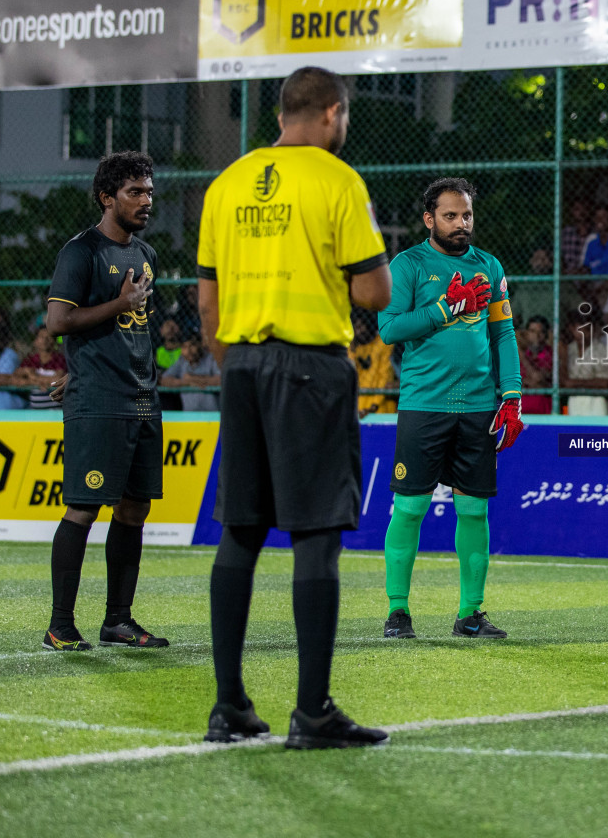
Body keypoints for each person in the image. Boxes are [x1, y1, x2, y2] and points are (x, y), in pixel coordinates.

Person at [198, 67, 392, 750]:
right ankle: (312, 713)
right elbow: (374, 292)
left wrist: (236, 367)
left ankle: (228, 708)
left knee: (241, 531)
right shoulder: (339, 180)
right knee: (316, 534)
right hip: (310, 367)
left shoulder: (225, 185)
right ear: (332, 113)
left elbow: (207, 305)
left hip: (242, 367)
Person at [377, 177, 523, 642]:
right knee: (411, 507)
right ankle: (398, 612)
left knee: (475, 512)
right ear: (429, 219)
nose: (462, 224)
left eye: (467, 215)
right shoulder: (408, 265)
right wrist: (446, 308)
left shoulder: (489, 265)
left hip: (479, 407)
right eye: (450, 216)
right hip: (424, 404)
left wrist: (513, 396)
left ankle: (470, 614)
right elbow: (389, 329)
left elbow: (502, 334)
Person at [41, 150, 166, 653]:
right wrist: (119, 304)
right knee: (83, 508)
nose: (146, 201)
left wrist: (85, 367)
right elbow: (58, 322)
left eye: (150, 192)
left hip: (143, 398)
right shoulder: (81, 252)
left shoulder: (147, 256)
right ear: (107, 197)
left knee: (134, 510)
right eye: (135, 192)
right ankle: (59, 625)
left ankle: (118, 620)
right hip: (100, 403)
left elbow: (130, 330)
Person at [349, 311, 397, 416]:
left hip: (380, 405)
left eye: (361, 326)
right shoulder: (353, 348)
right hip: (358, 404)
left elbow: (384, 375)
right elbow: (350, 374)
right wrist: (352, 350)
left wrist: (373, 406)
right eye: (356, 327)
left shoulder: (383, 343)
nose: (359, 331)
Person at [161, 333, 221, 412]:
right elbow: (164, 380)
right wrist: (184, 382)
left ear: (200, 344)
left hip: (212, 415)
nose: (188, 351)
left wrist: (193, 378)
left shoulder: (210, 358)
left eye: (192, 346)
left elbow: (220, 380)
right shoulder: (182, 361)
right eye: (184, 347)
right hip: (189, 416)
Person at [18, 326, 67, 410]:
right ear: (35, 341)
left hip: (56, 411)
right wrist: (44, 381)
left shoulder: (60, 359)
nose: (45, 340)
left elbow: (58, 379)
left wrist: (33, 378)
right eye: (41, 337)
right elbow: (17, 376)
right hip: (34, 412)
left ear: (54, 341)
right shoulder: (30, 360)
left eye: (48, 337)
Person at [517, 314, 554, 415]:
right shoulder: (521, 355)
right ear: (527, 334)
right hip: (520, 411)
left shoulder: (550, 354)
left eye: (541, 332)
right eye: (532, 331)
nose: (536, 336)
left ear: (546, 335)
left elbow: (537, 377)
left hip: (542, 411)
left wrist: (522, 355)